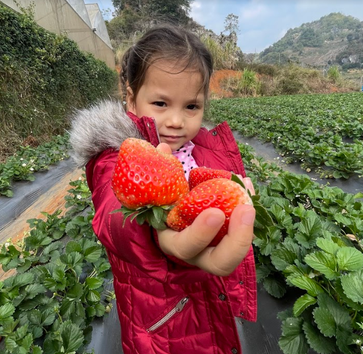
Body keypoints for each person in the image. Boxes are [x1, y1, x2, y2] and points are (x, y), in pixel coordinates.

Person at [69, 25, 257, 354]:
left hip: (212, 299)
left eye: (191, 107)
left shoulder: (204, 151)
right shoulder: (116, 155)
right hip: (161, 323)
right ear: (130, 96)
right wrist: (157, 233)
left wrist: (232, 203)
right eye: (160, 103)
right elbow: (113, 215)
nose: (175, 121)